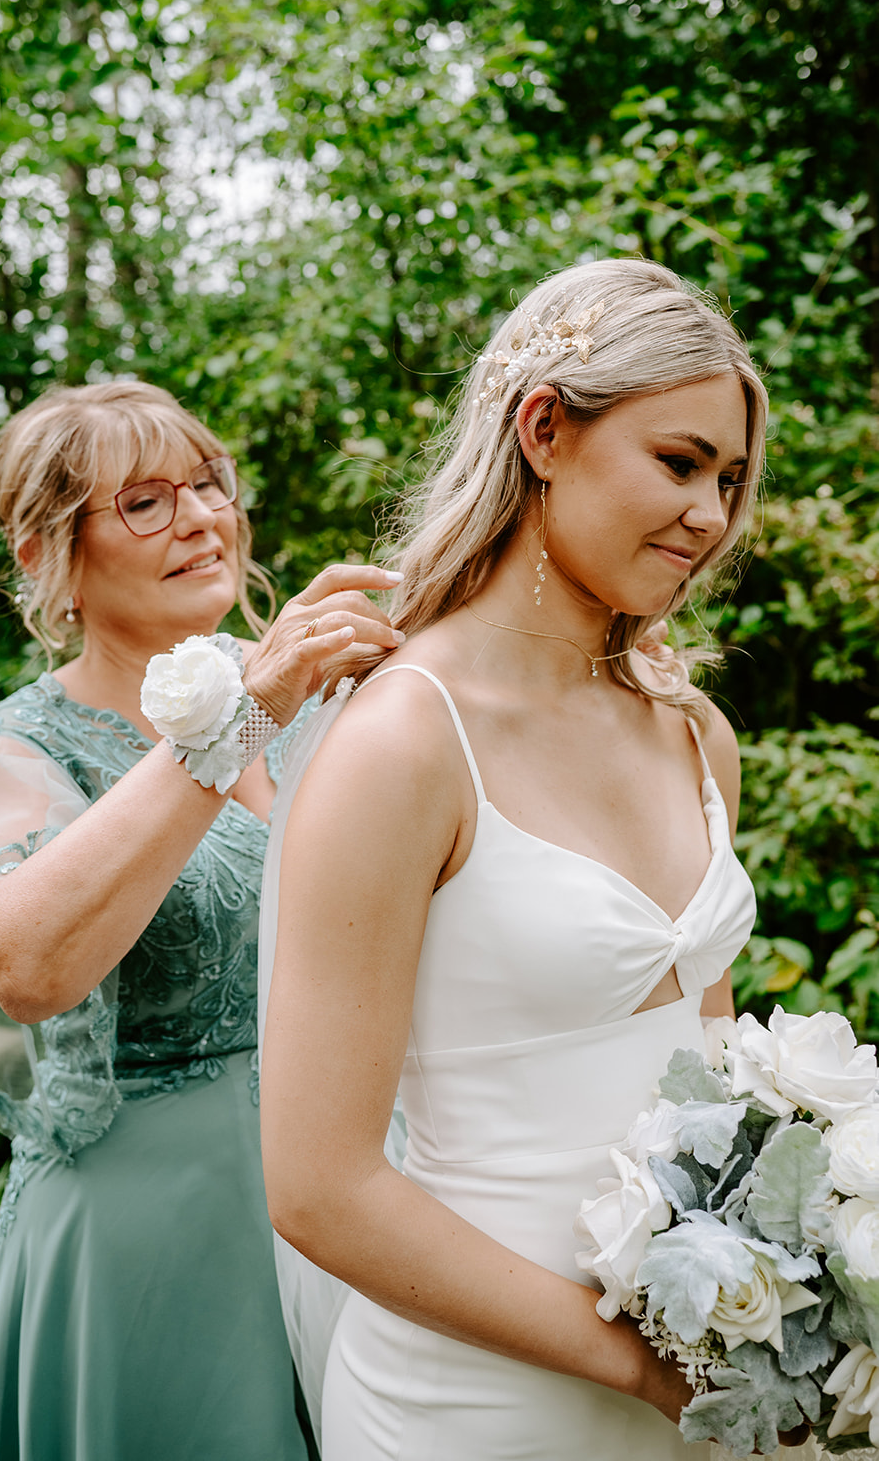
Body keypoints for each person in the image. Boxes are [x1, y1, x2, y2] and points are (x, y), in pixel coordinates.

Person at [258, 258, 769, 1460]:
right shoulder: (403, 741)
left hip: (701, 1379)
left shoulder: (694, 733)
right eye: (680, 462)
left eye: (731, 479)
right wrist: (635, 1365)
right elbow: (320, 1185)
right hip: (475, 1402)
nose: (712, 513)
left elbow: (710, 1083)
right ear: (545, 430)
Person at [0, 379, 404, 1461]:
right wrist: (237, 720)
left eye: (207, 483)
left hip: (351, 1211)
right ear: (45, 553)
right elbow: (23, 965)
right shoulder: (20, 753)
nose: (201, 516)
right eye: (145, 502)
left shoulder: (316, 706)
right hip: (151, 1249)